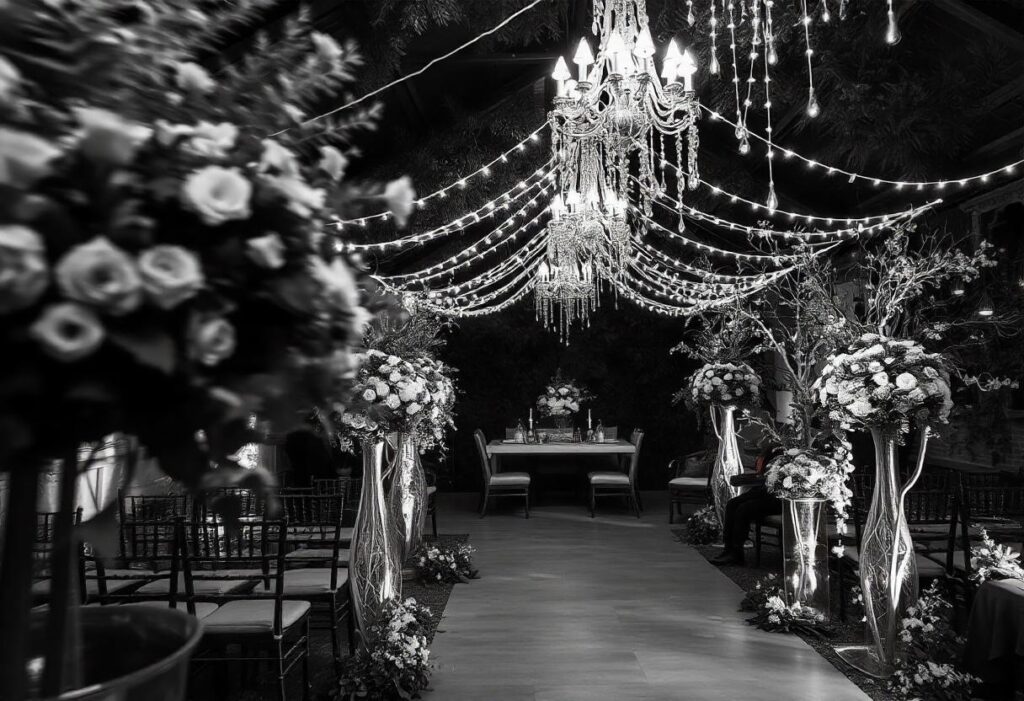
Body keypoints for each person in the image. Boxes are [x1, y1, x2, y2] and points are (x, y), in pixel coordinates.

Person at [710, 445, 783, 566]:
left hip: (778, 498)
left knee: (744, 509)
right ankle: (728, 549)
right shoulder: (770, 449)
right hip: (764, 491)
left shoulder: (781, 451)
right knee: (732, 504)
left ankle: (737, 553)